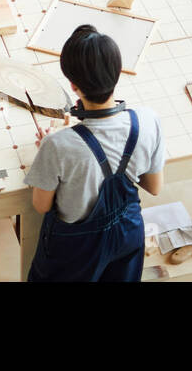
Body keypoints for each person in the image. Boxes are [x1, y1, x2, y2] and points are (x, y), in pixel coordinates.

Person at [24, 25, 165, 282]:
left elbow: (41, 205)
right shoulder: (147, 121)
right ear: (118, 73)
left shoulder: (57, 145)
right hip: (128, 235)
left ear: (73, 86)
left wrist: (54, 154)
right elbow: (154, 186)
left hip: (75, 250)